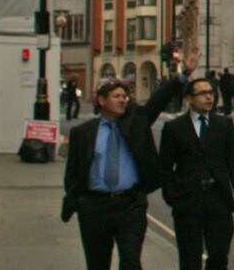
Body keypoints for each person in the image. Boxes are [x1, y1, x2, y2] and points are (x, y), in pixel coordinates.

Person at [60, 55, 191, 270]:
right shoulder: (82, 133)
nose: (123, 100)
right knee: (97, 264)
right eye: (116, 96)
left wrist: (183, 76)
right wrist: (79, 201)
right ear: (101, 101)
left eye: (125, 96)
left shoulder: (136, 123)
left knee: (131, 261)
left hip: (129, 205)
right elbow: (73, 172)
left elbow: (158, 100)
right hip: (95, 207)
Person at [158, 76, 234, 270]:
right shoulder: (174, 128)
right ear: (189, 99)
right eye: (203, 93)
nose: (209, 97)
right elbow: (165, 167)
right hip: (188, 202)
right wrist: (172, 197)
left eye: (211, 93)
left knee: (219, 256)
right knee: (190, 259)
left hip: (218, 200)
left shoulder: (224, 125)